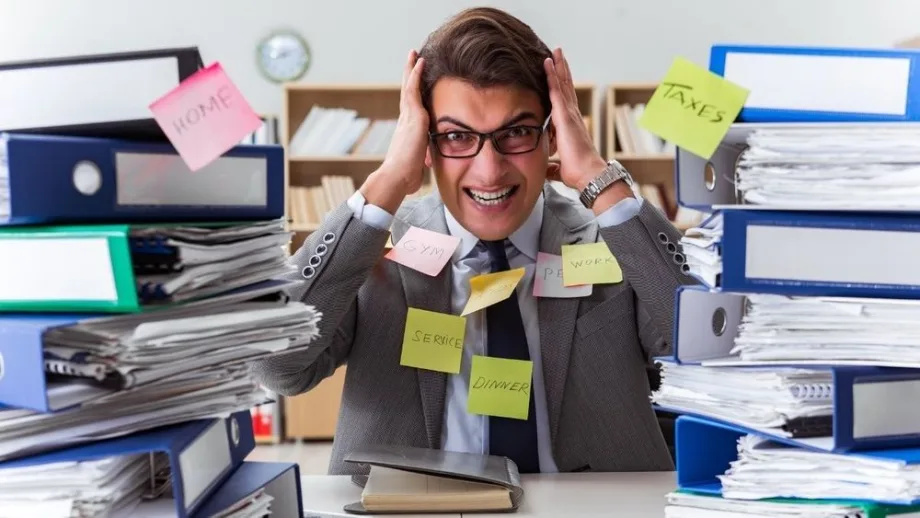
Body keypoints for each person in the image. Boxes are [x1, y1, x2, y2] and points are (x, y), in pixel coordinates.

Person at [251, 6, 697, 475]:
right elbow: (276, 366)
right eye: (457, 136)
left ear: (551, 137)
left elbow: (708, 349)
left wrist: (598, 178)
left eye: (517, 132)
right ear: (424, 142)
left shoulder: (614, 242)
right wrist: (384, 185)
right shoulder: (373, 250)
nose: (489, 170)